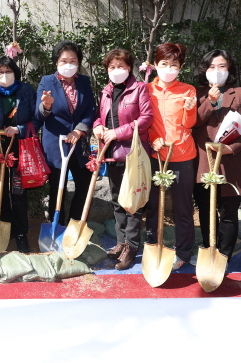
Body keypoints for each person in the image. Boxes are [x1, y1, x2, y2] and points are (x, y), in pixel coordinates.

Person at [192, 50, 241, 263]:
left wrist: (232, 148)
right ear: (204, 70)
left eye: (222, 66)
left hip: (232, 160)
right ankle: (209, 249)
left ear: (230, 69)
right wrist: (209, 101)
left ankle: (224, 255)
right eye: (211, 67)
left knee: (228, 212)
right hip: (204, 159)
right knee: (206, 209)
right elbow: (193, 122)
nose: (216, 71)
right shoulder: (196, 92)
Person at [92, 49, 153, 270]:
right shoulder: (106, 91)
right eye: (112, 67)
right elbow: (100, 115)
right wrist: (97, 125)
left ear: (129, 68)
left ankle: (132, 245)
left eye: (121, 66)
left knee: (133, 202)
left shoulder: (139, 89)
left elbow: (146, 118)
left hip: (133, 153)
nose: (116, 71)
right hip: (111, 153)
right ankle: (120, 242)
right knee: (118, 199)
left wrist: (119, 133)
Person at [146, 42, 197, 271]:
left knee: (183, 208)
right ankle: (152, 246)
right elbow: (144, 121)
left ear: (181, 67)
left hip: (183, 156)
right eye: (164, 63)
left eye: (174, 64)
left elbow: (190, 123)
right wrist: (152, 139)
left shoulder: (188, 90)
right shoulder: (146, 90)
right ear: (155, 65)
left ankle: (184, 251)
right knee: (153, 205)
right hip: (156, 156)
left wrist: (190, 108)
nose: (169, 68)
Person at [0, 56, 39, 253]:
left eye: (7, 72)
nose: (3, 76)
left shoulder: (26, 91)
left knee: (19, 192)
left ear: (15, 73)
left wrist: (20, 128)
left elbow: (36, 119)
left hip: (19, 148)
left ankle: (21, 233)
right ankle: (4, 230)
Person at [36, 40, 96, 226]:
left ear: (78, 63)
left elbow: (91, 110)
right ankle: (56, 225)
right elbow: (38, 115)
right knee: (57, 187)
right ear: (56, 62)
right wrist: (46, 105)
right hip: (56, 144)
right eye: (64, 61)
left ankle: (74, 224)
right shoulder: (47, 81)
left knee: (83, 184)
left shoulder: (84, 82)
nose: (68, 65)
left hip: (79, 144)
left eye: (73, 60)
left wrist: (79, 130)